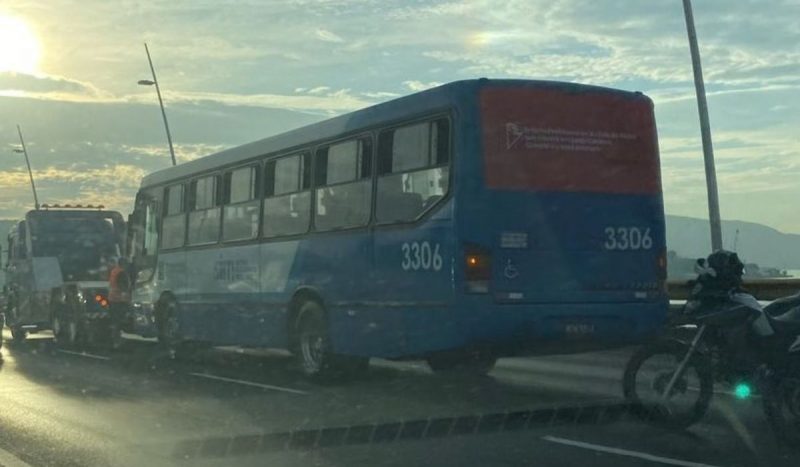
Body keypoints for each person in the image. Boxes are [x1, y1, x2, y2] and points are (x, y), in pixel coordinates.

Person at [107, 257, 132, 349]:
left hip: (112, 299)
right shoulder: (122, 273)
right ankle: (118, 340)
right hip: (120, 300)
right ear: (124, 264)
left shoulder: (114, 271)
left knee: (115, 321)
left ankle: (115, 340)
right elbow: (124, 287)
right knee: (120, 320)